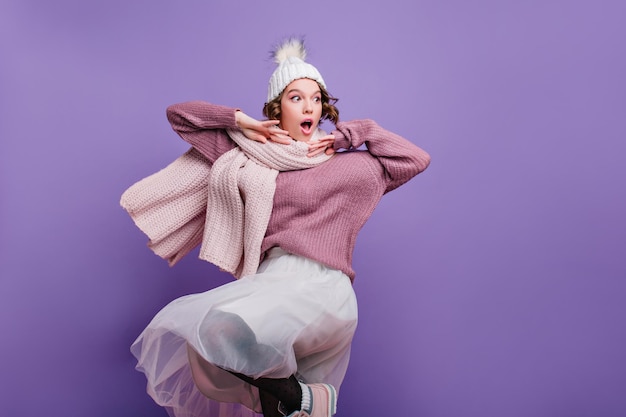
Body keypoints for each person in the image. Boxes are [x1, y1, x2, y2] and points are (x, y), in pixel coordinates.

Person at [121, 37, 431, 417]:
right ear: (276, 106)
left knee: (209, 330)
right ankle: (300, 399)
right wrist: (241, 122)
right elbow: (181, 116)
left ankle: (301, 398)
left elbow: (414, 159)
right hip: (272, 283)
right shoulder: (251, 159)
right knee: (221, 357)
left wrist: (359, 132)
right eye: (296, 97)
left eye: (317, 99)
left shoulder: (349, 164)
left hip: (321, 290)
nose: (310, 107)